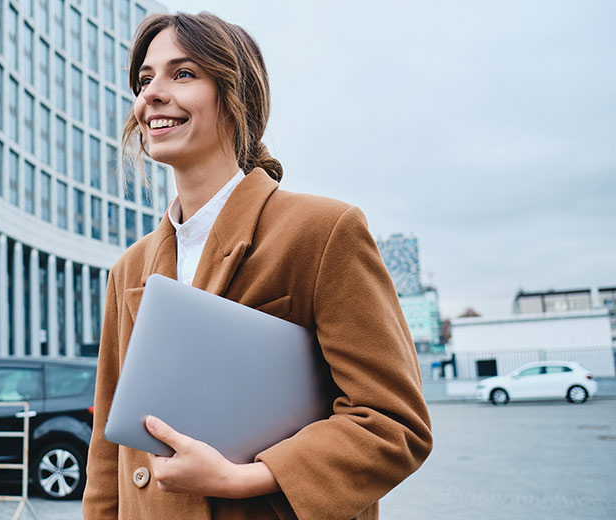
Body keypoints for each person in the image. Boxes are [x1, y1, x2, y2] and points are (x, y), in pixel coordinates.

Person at [83, 11, 432, 520]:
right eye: (144, 79)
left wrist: (244, 478)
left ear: (237, 97)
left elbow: (392, 422)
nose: (151, 94)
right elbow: (106, 461)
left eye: (183, 73)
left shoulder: (322, 231)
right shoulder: (128, 269)